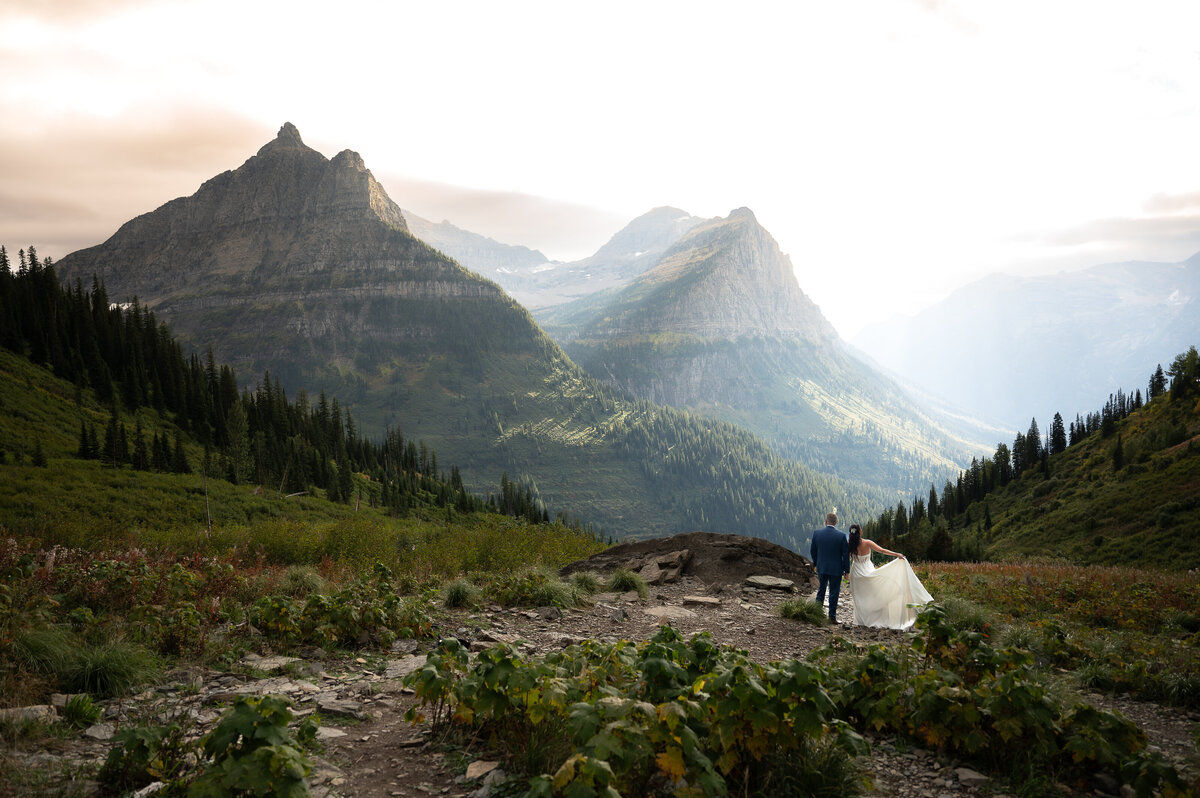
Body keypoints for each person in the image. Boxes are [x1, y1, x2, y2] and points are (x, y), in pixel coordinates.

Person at [846, 523, 934, 629]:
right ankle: (875, 617)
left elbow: (845, 559)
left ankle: (862, 620)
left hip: (856, 574)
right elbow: (882, 550)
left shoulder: (849, 544)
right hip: (867, 571)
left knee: (860, 597)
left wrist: (845, 572)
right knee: (874, 594)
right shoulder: (867, 542)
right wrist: (897, 554)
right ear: (860, 532)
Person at [809, 512, 849, 624]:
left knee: (821, 589)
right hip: (836, 569)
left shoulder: (817, 534)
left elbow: (813, 551)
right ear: (836, 523)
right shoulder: (841, 536)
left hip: (822, 567)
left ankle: (816, 614)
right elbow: (845, 555)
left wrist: (817, 563)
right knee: (834, 592)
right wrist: (847, 570)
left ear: (826, 521)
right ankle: (832, 617)